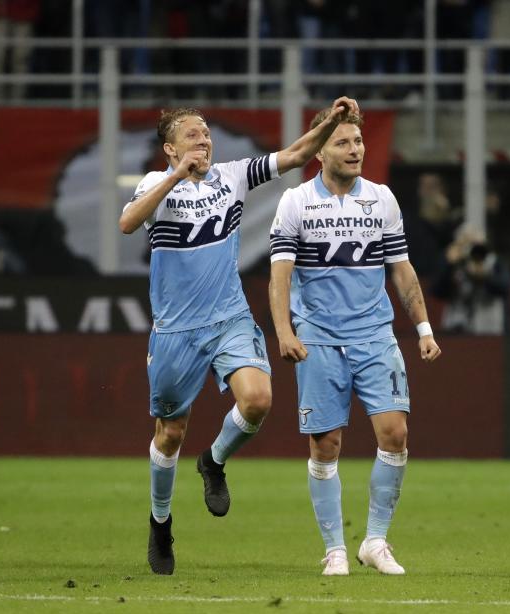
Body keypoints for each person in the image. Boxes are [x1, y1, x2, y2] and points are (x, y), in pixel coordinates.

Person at [119, 96, 360, 575]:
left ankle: (213, 461)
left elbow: (293, 156)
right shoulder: (154, 184)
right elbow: (127, 223)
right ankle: (160, 522)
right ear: (170, 148)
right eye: (192, 134)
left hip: (228, 317)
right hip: (176, 330)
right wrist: (174, 177)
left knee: (257, 400)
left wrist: (331, 121)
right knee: (170, 433)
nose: (203, 140)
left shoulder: (231, 176)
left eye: (206, 133)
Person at [267, 108, 442, 577]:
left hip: (374, 336)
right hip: (318, 338)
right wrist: (284, 332)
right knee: (326, 444)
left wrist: (423, 329)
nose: (355, 149)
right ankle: (335, 549)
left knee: (396, 433)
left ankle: (375, 541)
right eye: (343, 142)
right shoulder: (296, 203)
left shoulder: (382, 199)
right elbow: (280, 277)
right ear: (320, 149)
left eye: (359, 142)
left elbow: (401, 270)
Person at [433, 224, 510, 335]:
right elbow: (437, 291)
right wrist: (448, 265)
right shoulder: (455, 264)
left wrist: (484, 275)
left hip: (489, 328)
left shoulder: (493, 262)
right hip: (456, 327)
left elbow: (505, 287)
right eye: (466, 245)